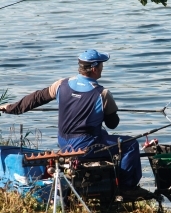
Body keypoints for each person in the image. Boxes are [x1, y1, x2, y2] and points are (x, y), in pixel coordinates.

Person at [0, 49, 155, 200]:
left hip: (64, 143)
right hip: (86, 147)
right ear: (94, 68)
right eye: (101, 65)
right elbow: (113, 123)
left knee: (103, 135)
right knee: (130, 145)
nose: (102, 68)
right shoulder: (102, 94)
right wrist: (108, 110)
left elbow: (36, 98)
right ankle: (127, 188)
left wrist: (10, 108)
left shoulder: (61, 85)